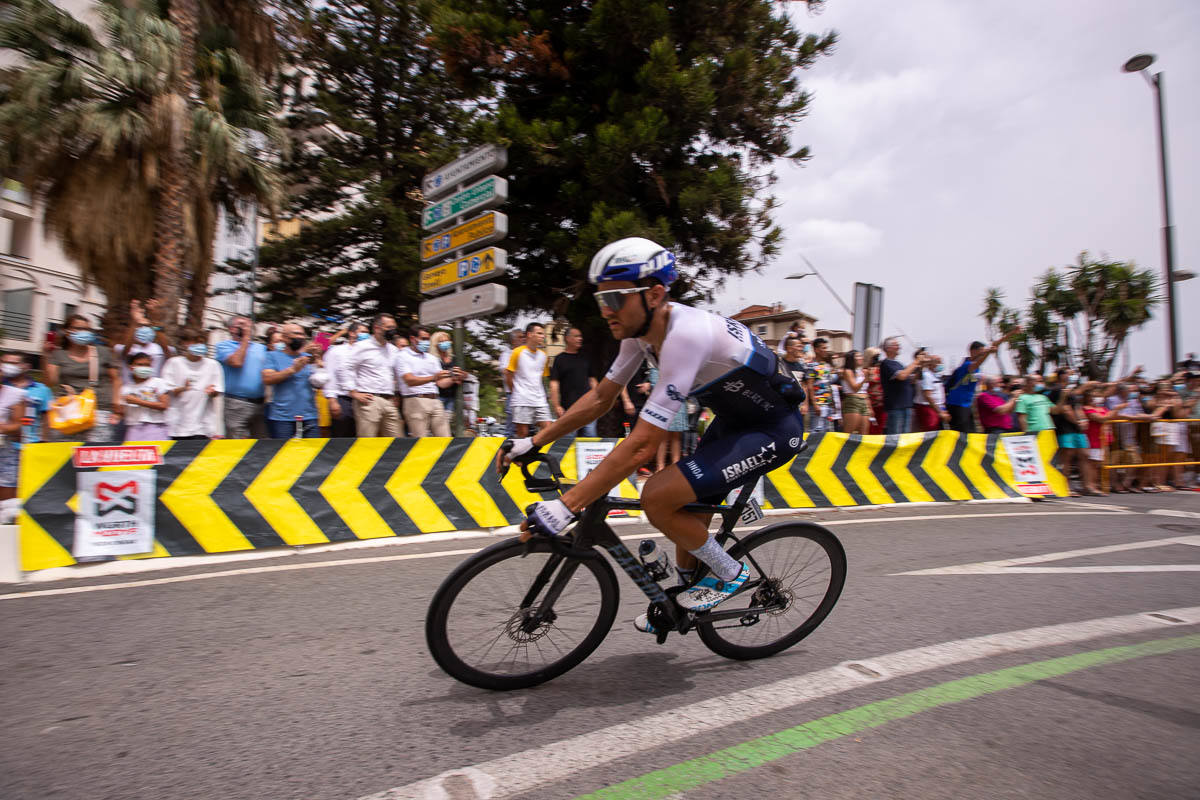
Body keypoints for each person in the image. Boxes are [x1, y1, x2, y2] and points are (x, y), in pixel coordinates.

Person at [498, 237, 806, 631]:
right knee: (686, 512)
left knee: (657, 496)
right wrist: (533, 441)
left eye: (615, 299)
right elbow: (600, 399)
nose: (606, 311)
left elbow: (643, 445)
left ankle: (731, 573)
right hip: (733, 423)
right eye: (600, 300)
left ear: (655, 295)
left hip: (773, 430)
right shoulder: (638, 335)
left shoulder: (686, 335)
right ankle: (684, 601)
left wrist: (566, 506)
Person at [45, 314, 121, 443]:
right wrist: (46, 355)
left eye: (87, 329)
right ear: (67, 331)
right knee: (64, 453)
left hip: (99, 410)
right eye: (79, 328)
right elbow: (50, 381)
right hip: (68, 410)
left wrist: (117, 406)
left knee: (94, 454)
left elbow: (116, 379)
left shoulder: (103, 352)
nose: (84, 332)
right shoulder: (58, 355)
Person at [943, 332, 1017, 432]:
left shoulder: (976, 367)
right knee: (961, 433)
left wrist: (1011, 333)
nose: (982, 354)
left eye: (983, 352)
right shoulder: (966, 365)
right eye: (980, 352)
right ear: (972, 351)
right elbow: (977, 363)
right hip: (957, 404)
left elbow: (994, 345)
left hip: (967, 404)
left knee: (971, 433)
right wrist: (988, 353)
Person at [162, 328, 225, 439]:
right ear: (184, 344)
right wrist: (183, 388)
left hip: (202, 427)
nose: (199, 345)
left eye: (202, 342)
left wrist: (212, 392)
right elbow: (167, 390)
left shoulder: (213, 365)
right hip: (177, 425)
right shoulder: (174, 363)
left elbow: (217, 391)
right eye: (195, 342)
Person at [261, 323, 321, 438]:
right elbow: (267, 379)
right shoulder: (272, 356)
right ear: (284, 338)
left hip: (309, 416)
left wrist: (319, 363)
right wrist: (293, 369)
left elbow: (319, 380)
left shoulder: (308, 357)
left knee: (313, 453)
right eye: (296, 334)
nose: (301, 337)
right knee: (284, 454)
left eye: (303, 335)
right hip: (283, 418)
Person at [348, 314, 403, 437]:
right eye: (389, 327)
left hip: (389, 401)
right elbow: (346, 369)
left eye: (394, 327)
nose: (393, 331)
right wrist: (353, 392)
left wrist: (397, 393)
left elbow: (395, 375)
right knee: (367, 442)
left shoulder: (393, 350)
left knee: (398, 442)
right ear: (377, 328)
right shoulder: (361, 347)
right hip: (368, 400)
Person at [396, 325, 455, 437]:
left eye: (428, 339)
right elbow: (409, 380)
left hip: (435, 400)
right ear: (413, 339)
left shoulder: (431, 358)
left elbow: (440, 383)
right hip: (415, 400)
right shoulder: (402, 356)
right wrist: (433, 377)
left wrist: (454, 378)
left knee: (445, 440)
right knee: (421, 442)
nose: (427, 342)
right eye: (423, 339)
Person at [215, 316, 268, 439]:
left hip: (260, 403)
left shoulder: (261, 348)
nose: (248, 327)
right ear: (232, 329)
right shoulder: (224, 346)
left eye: (249, 324)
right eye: (242, 324)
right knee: (236, 443)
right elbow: (237, 362)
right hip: (236, 403)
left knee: (263, 445)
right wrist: (246, 338)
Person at [505, 322, 553, 438]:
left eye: (544, 334)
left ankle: (534, 451)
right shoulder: (517, 352)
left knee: (548, 429)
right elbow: (508, 374)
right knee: (522, 434)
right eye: (540, 333)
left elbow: (542, 378)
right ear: (530, 334)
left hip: (539, 400)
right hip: (522, 399)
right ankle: (519, 455)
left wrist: (547, 394)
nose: (543, 336)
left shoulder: (543, 356)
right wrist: (515, 392)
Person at [549, 327, 598, 437]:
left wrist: (598, 399)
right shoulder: (559, 359)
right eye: (576, 336)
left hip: (588, 408)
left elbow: (592, 380)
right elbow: (554, 384)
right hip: (568, 410)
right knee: (567, 443)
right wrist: (556, 406)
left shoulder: (585, 358)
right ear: (567, 338)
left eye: (580, 336)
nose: (580, 339)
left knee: (591, 441)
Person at [113, 299, 174, 386]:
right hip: (130, 390)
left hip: (153, 391)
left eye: (147, 326)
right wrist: (135, 321)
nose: (143, 329)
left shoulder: (159, 349)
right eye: (140, 326)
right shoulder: (124, 348)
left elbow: (167, 350)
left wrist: (155, 319)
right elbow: (125, 350)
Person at [2, 352, 52, 450]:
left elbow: (46, 419)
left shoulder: (42, 389)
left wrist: (44, 441)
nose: (6, 366)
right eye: (4, 362)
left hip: (31, 445)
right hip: (4, 444)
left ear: (26, 366)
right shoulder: (2, 387)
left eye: (13, 363)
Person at [323, 322, 366, 438]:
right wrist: (332, 400)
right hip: (343, 399)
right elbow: (329, 376)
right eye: (362, 332)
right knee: (341, 437)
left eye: (367, 333)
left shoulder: (368, 353)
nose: (366, 335)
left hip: (364, 399)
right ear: (351, 333)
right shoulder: (337, 351)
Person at [1047, 373, 1086, 496]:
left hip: (1076, 429)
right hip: (1064, 428)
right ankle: (1065, 486)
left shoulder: (1071, 391)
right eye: (1068, 373)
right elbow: (1065, 409)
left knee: (1084, 455)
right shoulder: (1057, 390)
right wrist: (1078, 422)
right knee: (1066, 459)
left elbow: (1077, 407)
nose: (1071, 375)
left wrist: (1083, 420)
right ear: (1061, 376)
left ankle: (1087, 486)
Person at [120, 352, 172, 441]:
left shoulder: (158, 383)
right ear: (131, 367)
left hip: (155, 427)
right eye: (140, 365)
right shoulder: (126, 388)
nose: (144, 367)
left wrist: (138, 401)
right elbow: (121, 411)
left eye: (147, 365)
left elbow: (164, 405)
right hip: (133, 428)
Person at [879, 338, 923, 435]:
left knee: (905, 436)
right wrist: (916, 362)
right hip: (895, 406)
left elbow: (910, 379)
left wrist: (920, 366)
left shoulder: (898, 364)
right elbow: (902, 376)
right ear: (888, 348)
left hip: (906, 405)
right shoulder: (886, 363)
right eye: (896, 345)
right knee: (895, 436)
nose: (899, 347)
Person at [0, 374, 27, 502]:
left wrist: (4, 428)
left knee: (7, 485)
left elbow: (18, 425)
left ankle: (5, 519)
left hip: (5, 448)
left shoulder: (15, 394)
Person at [803, 337, 837, 434]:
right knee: (815, 433)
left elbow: (828, 385)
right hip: (817, 406)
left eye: (826, 348)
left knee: (827, 433)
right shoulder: (811, 366)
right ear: (816, 350)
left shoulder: (826, 366)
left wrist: (832, 403)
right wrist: (815, 404)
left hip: (828, 405)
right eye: (823, 348)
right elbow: (810, 386)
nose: (826, 350)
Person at [914, 355, 949, 432]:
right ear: (931, 364)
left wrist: (943, 409)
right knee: (930, 431)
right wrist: (939, 412)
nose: (940, 364)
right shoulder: (927, 375)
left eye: (941, 362)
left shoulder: (936, 375)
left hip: (938, 406)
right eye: (938, 362)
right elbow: (927, 395)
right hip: (928, 408)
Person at [838, 350, 869, 435]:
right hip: (852, 401)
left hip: (863, 401)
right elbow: (855, 388)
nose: (861, 358)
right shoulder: (848, 371)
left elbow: (865, 391)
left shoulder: (861, 371)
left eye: (861, 356)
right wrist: (865, 379)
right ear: (851, 359)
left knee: (864, 434)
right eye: (858, 356)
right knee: (849, 433)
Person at [431, 331, 458, 416]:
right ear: (435, 344)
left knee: (446, 422)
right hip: (438, 397)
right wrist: (454, 377)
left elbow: (460, 374)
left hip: (451, 397)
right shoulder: (432, 359)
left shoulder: (453, 358)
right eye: (441, 341)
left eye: (446, 341)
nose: (445, 343)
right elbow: (439, 380)